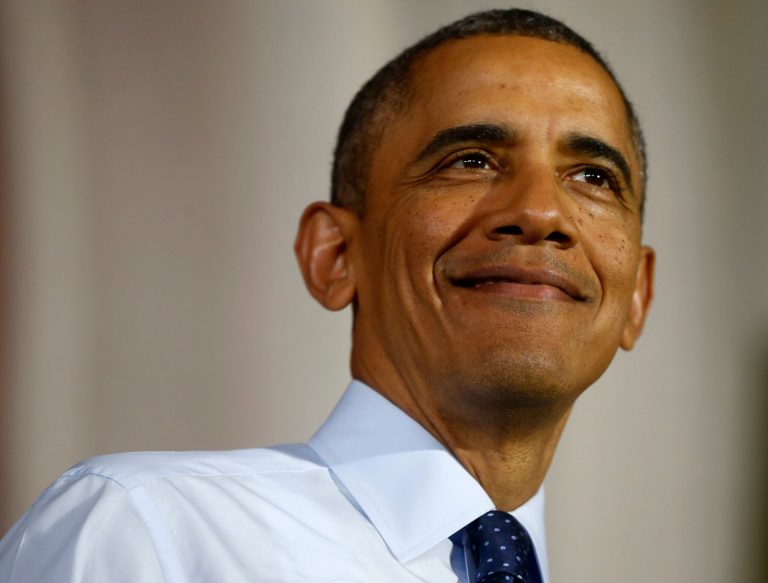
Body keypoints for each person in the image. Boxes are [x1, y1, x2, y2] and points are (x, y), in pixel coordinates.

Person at [0, 8, 654, 582]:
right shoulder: (146, 530)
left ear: (637, 296)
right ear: (335, 255)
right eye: (471, 159)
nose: (542, 212)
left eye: (593, 175)